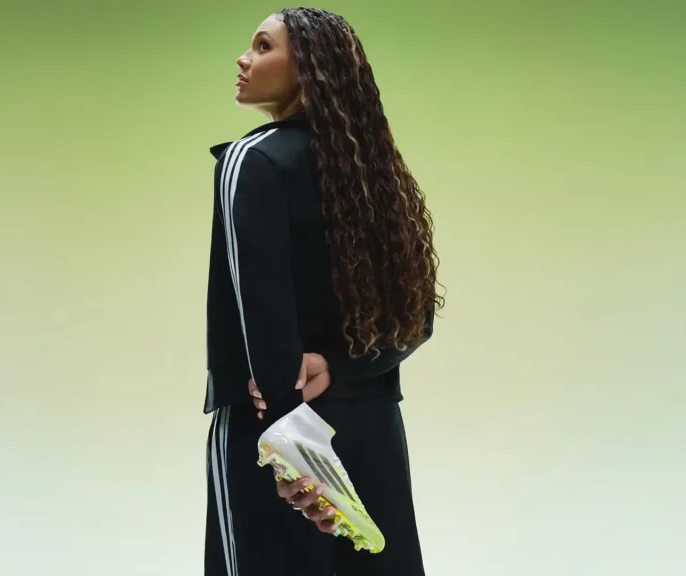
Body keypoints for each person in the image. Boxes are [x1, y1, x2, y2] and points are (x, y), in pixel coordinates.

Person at [202, 7, 441, 576]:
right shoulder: (371, 172)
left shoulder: (251, 161)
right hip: (373, 429)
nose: (244, 58)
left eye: (262, 47)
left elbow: (258, 308)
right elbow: (416, 318)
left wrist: (294, 452)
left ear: (307, 69)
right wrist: (337, 365)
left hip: (279, 429)